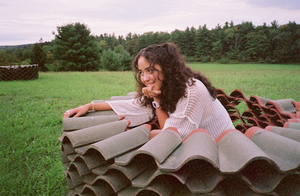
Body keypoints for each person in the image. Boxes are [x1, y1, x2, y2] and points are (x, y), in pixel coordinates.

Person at [63, 42, 235, 139]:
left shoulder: (191, 90)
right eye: (141, 72)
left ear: (167, 68)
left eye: (150, 70)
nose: (145, 78)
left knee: (149, 135)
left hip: (219, 149)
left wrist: (157, 103)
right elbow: (134, 105)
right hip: (199, 144)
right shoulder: (167, 87)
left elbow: (171, 136)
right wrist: (90, 106)